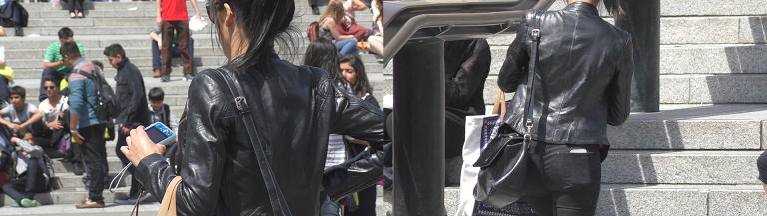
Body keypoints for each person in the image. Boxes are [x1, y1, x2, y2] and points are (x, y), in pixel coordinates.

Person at [121, 0, 388, 214]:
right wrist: (325, 186)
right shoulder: (314, 83)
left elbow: (195, 205)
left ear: (227, 13)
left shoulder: (212, 86)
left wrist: (149, 162)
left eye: (211, 12)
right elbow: (399, 136)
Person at [496, 0, 633, 215]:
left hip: (532, 146)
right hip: (579, 154)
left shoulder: (535, 22)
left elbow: (506, 82)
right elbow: (618, 115)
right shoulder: (618, 39)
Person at [103, 44, 153, 205]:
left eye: (111, 59)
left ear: (118, 56)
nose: (110, 62)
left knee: (124, 152)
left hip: (133, 123)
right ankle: (137, 190)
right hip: (127, 120)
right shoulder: (123, 71)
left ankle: (144, 184)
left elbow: (137, 97)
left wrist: (127, 120)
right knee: (126, 154)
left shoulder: (131, 70)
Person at [62, 42, 108, 208]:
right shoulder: (93, 67)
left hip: (87, 122)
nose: (64, 62)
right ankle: (95, 195)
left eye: (63, 59)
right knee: (99, 158)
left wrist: (73, 129)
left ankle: (95, 198)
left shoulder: (76, 75)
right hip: (100, 118)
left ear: (67, 56)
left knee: (92, 160)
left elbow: (76, 104)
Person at [338, 55, 378, 216]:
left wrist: (351, 137)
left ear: (358, 73)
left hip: (364, 164)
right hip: (345, 164)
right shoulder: (340, 100)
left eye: (349, 71)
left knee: (365, 209)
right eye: (341, 71)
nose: (344, 75)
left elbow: (376, 137)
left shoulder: (369, 101)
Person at [36, 78, 80, 174]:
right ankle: (63, 151)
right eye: (46, 87)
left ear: (58, 88)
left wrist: (61, 118)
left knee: (66, 114)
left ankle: (76, 161)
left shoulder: (66, 101)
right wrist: (49, 124)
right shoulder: (42, 105)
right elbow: (40, 126)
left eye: (51, 87)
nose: (48, 89)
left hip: (65, 131)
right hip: (51, 134)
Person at [156, 0, 202, 82]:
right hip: (167, 16)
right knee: (166, 47)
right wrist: (158, 15)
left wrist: (197, 11)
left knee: (185, 46)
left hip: (182, 16)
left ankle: (188, 72)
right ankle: (165, 73)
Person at [2, 132, 48, 208]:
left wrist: (17, 140)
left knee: (33, 160)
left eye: (31, 139)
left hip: (39, 180)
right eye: (27, 139)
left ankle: (29, 197)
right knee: (6, 186)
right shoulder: (15, 154)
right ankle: (22, 200)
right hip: (24, 180)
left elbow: (31, 149)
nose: (30, 142)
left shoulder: (38, 148)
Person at [39, 27, 85, 102]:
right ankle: (44, 98)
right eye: (66, 39)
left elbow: (80, 62)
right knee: (47, 71)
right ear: (61, 39)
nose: (69, 41)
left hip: (72, 72)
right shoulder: (53, 47)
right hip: (57, 72)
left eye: (70, 38)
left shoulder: (78, 47)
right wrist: (60, 63)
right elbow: (45, 65)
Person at [146, 87, 178, 164]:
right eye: (154, 102)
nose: (157, 105)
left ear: (162, 100)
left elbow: (174, 125)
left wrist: (175, 136)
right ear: (149, 100)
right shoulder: (146, 111)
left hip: (166, 139)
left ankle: (168, 161)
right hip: (151, 140)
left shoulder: (166, 109)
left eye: (159, 102)